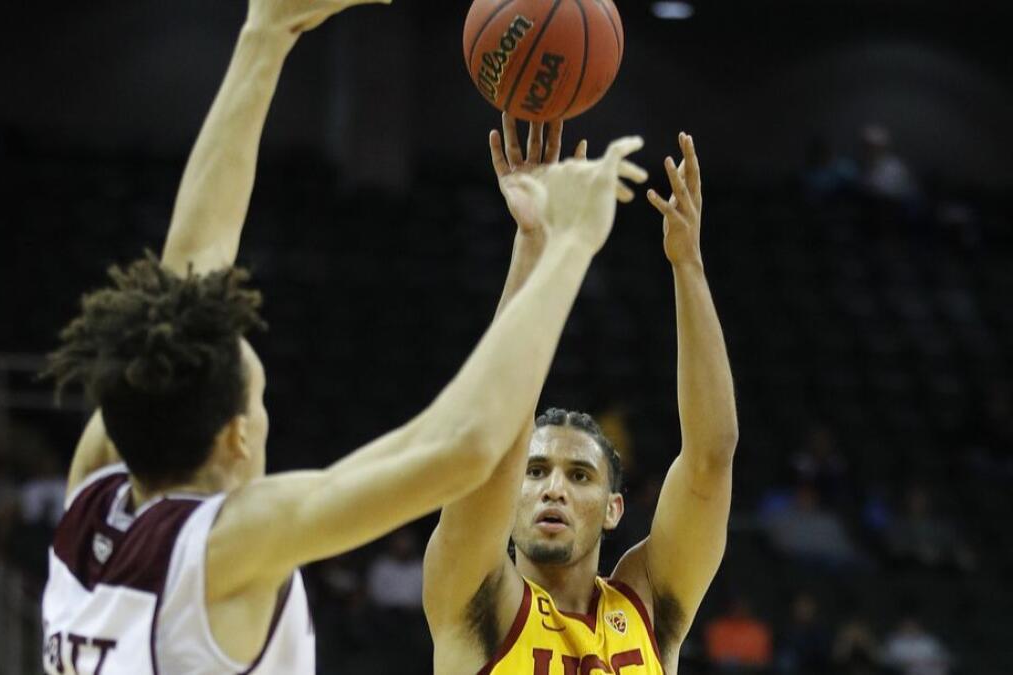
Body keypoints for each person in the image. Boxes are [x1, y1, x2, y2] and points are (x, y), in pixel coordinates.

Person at [38, 4, 649, 674]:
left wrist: (265, 37)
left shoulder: (95, 493)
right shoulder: (225, 549)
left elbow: (191, 269)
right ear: (235, 436)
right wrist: (569, 244)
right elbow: (463, 444)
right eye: (258, 396)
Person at [423, 120, 737, 674]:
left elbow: (711, 456)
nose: (554, 489)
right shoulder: (476, 601)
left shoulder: (647, 608)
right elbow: (488, 436)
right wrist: (532, 242)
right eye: (536, 470)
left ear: (615, 508)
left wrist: (688, 264)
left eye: (580, 476)